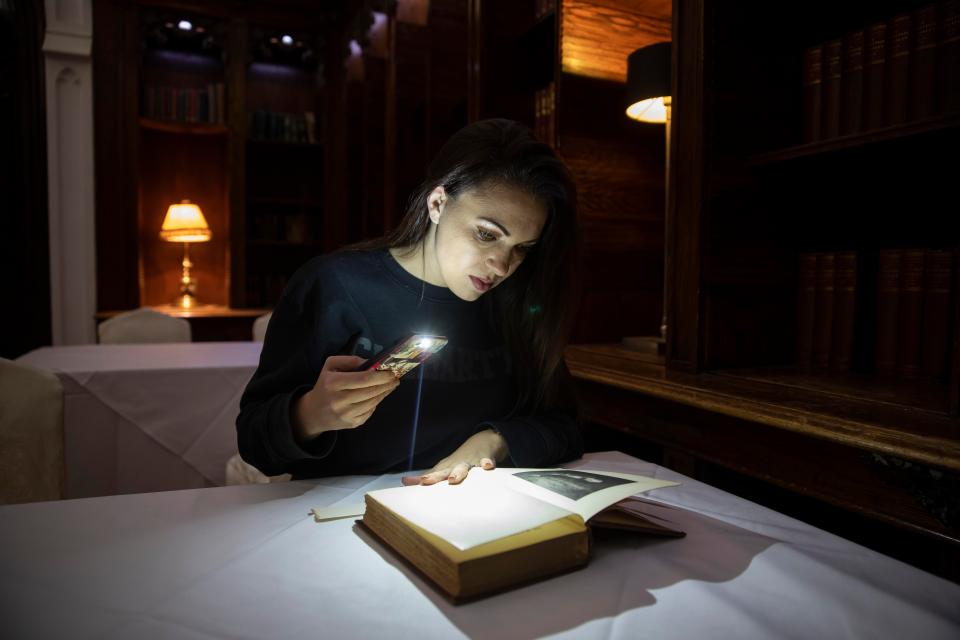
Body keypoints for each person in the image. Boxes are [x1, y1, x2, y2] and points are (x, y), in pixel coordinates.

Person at [237, 118, 582, 486]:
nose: (501, 266)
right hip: (340, 520)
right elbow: (253, 443)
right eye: (486, 235)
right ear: (437, 203)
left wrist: (494, 441)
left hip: (473, 516)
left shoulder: (514, 302)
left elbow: (566, 425)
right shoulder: (333, 286)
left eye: (522, 249)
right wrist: (310, 415)